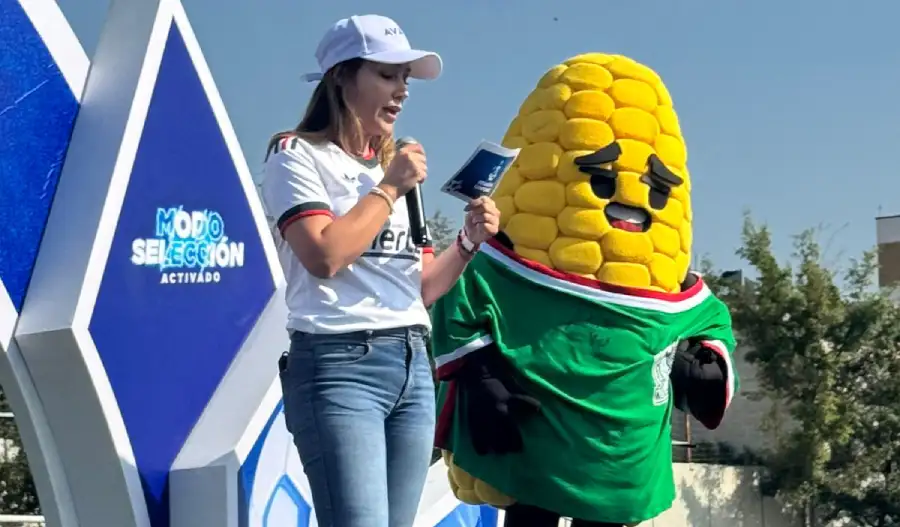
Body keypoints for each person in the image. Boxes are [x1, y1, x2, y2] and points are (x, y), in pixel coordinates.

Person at [258, 14, 501, 527]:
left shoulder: (394, 168)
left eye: (406, 79)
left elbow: (423, 286)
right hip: (338, 363)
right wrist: (388, 187)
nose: (402, 91)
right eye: (388, 75)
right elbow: (324, 256)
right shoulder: (295, 154)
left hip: (413, 362)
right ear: (341, 77)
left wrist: (468, 241)